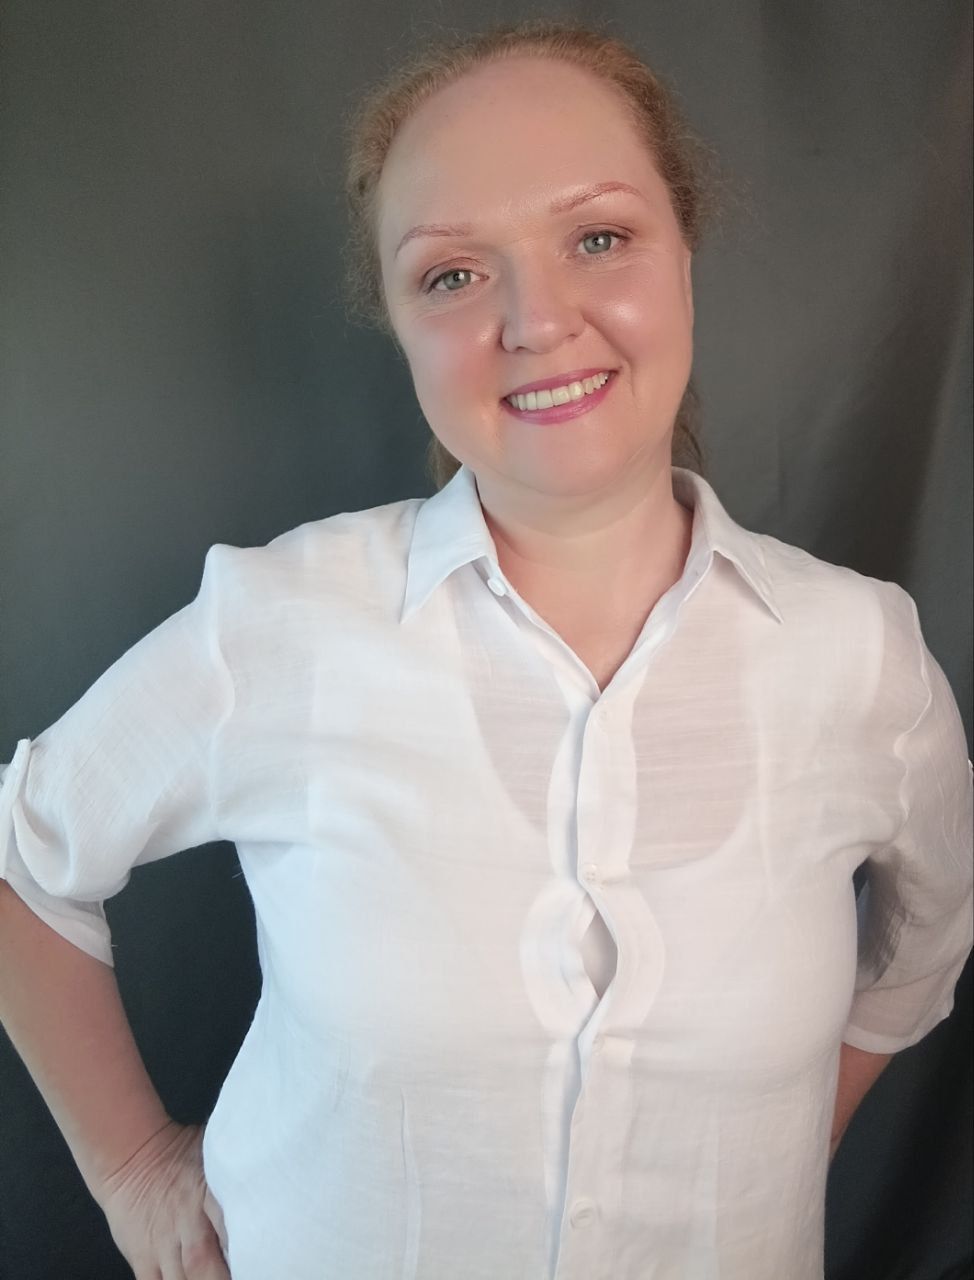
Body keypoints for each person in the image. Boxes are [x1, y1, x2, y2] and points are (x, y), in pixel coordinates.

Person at [1, 17, 971, 1280]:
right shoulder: (283, 624)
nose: (536, 318)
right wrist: (133, 1172)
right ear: (400, 324)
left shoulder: (859, 659)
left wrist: (775, 1146)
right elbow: (22, 862)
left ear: (682, 251)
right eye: (452, 274)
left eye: (598, 238)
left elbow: (918, 955)